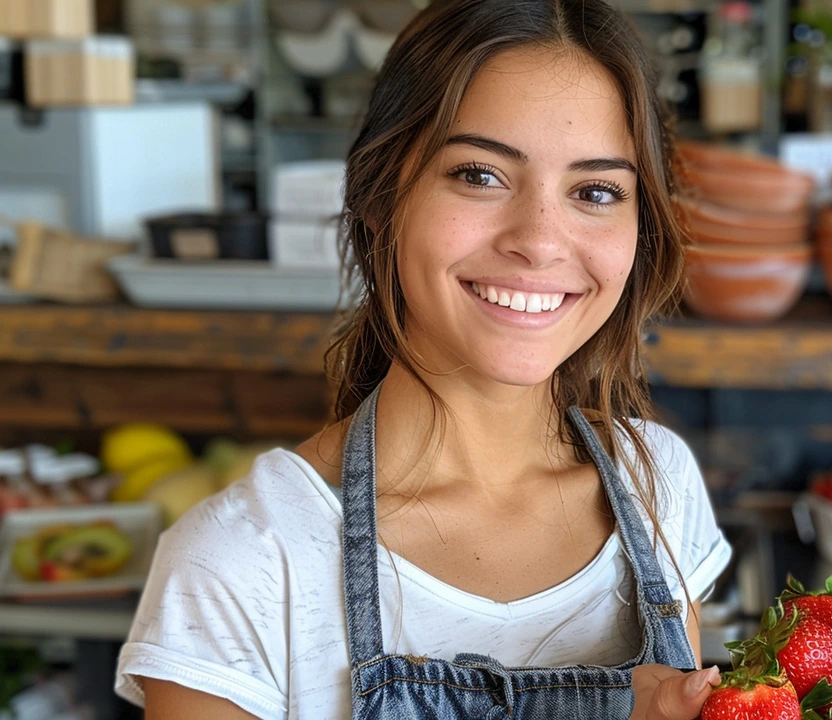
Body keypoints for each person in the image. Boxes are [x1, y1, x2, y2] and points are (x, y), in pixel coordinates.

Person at [113, 1, 733, 717]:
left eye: (596, 191)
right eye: (479, 175)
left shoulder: (657, 486)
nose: (539, 240)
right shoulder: (244, 562)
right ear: (381, 195)